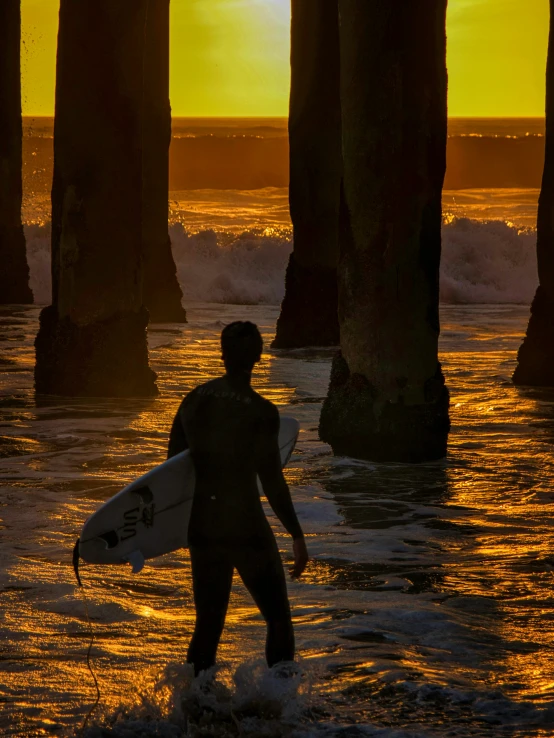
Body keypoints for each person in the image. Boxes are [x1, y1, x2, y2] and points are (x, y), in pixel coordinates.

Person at [168, 321, 309, 675]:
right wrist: (296, 534)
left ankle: (196, 706)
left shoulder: (193, 401)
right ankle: (279, 706)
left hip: (203, 528)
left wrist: (177, 531)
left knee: (208, 625)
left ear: (222, 355)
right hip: (246, 527)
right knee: (278, 619)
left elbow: (171, 472)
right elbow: (273, 482)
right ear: (259, 358)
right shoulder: (261, 412)